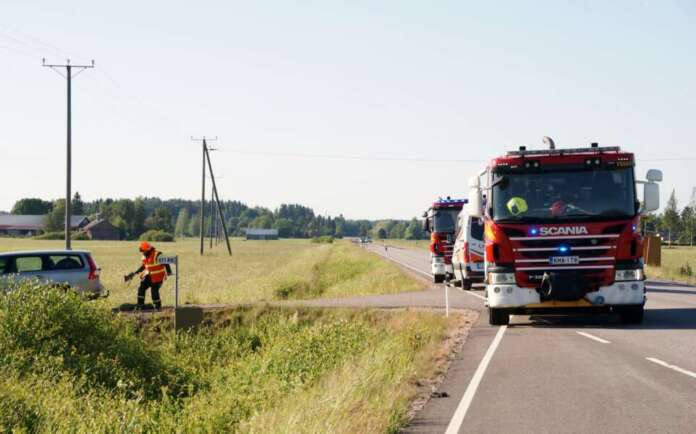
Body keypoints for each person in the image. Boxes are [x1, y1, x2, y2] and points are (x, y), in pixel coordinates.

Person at [124, 241, 169, 310]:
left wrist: (169, 272)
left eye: (144, 251)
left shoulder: (158, 254)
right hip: (149, 276)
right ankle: (140, 305)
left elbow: (166, 263)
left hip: (158, 277)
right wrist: (135, 273)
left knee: (154, 291)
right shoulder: (144, 256)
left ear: (148, 250)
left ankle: (157, 306)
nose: (143, 253)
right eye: (142, 251)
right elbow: (143, 266)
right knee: (141, 288)